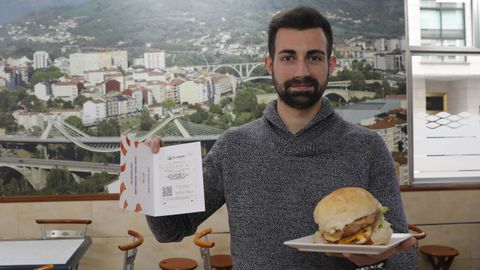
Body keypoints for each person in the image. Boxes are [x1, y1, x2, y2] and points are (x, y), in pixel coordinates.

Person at [146, 6, 417, 270]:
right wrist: (150, 179)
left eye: (314, 57)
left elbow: (404, 258)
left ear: (331, 64)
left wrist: (375, 262)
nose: (301, 71)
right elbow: (171, 229)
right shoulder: (233, 147)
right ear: (269, 64)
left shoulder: (368, 148)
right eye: (288, 58)